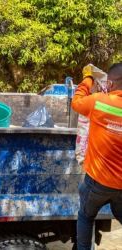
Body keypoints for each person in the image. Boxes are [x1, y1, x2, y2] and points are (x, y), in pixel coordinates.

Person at [72, 63, 122, 250]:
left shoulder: (99, 101)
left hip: (98, 181)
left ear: (110, 83)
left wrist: (88, 79)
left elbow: (76, 102)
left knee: (86, 216)